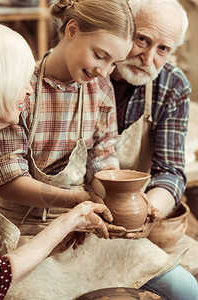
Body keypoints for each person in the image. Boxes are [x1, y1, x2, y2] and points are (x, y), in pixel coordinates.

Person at [0, 23, 112, 299]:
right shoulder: (31, 97)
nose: (27, 90)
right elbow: (1, 276)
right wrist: (72, 211)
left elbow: (104, 157)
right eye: (21, 80)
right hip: (20, 228)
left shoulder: (101, 89)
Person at [111, 0, 198, 299]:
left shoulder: (171, 84)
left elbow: (171, 171)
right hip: (70, 217)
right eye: (142, 40)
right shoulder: (85, 69)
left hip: (131, 223)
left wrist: (145, 212)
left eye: (163, 49)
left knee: (186, 291)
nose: (148, 58)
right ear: (124, 28)